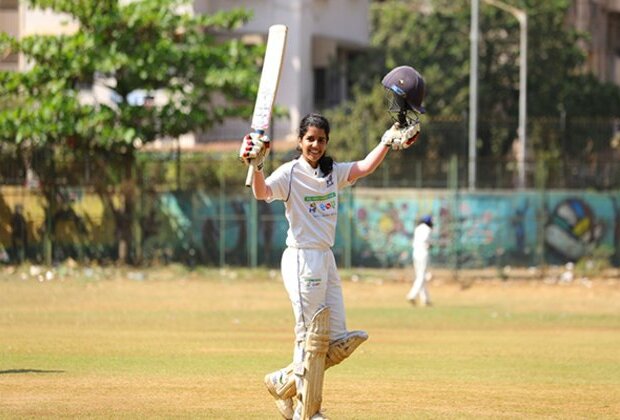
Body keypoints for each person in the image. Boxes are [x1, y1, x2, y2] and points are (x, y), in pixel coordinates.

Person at [407, 215, 433, 306]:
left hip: (415, 252)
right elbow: (426, 241)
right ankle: (412, 295)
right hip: (423, 252)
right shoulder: (427, 229)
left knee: (419, 275)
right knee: (421, 276)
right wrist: (430, 245)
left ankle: (425, 299)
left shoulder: (417, 228)